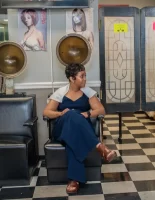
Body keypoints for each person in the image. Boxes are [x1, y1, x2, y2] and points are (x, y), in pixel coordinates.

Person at [43, 63, 117, 194]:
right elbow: (46, 112)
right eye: (82, 76)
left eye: (85, 76)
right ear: (72, 78)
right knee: (71, 113)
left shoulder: (88, 92)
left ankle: (74, 180)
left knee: (73, 139)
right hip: (62, 128)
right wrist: (61, 114)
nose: (85, 79)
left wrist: (88, 113)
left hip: (79, 131)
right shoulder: (61, 92)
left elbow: (101, 110)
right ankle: (100, 146)